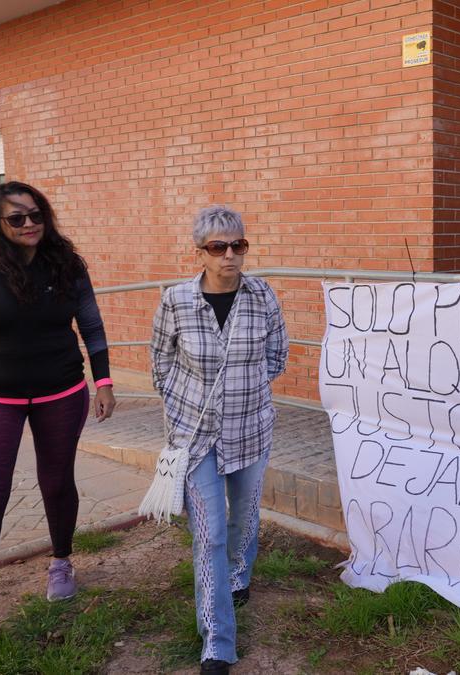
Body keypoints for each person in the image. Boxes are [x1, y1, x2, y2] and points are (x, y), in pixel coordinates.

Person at [0, 181, 117, 651]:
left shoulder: (68, 266)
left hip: (62, 389)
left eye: (36, 214)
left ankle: (61, 562)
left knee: (56, 482)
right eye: (17, 218)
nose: (30, 224)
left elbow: (91, 325)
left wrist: (105, 382)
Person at [150, 206, 288, 675]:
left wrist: (244, 394)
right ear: (200, 252)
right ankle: (218, 642)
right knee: (208, 532)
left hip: (251, 427)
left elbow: (277, 354)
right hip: (194, 436)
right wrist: (180, 410)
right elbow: (160, 362)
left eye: (238, 245)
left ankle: (239, 574)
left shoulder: (262, 295)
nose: (230, 255)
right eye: (218, 247)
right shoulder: (176, 301)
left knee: (245, 514)